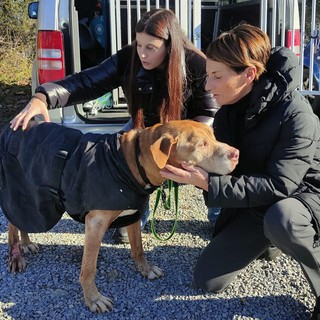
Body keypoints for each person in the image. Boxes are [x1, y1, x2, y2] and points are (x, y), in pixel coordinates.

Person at [10, 9, 217, 243]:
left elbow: (208, 113)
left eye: (151, 47)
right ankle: (132, 211)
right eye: (139, 44)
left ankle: (219, 213)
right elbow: (87, 82)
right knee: (117, 163)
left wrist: (182, 151)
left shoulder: (196, 64)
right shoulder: (128, 58)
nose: (142, 53)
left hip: (187, 135)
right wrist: (44, 96)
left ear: (170, 46)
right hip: (143, 129)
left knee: (210, 157)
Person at [159, 23, 320, 319]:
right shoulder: (229, 111)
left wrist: (209, 184)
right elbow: (226, 171)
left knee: (283, 219)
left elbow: (281, 184)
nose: (208, 87)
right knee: (208, 280)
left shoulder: (297, 115)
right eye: (208, 76)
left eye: (216, 77)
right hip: (259, 202)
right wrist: (185, 167)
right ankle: (271, 241)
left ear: (248, 74)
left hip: (303, 198)